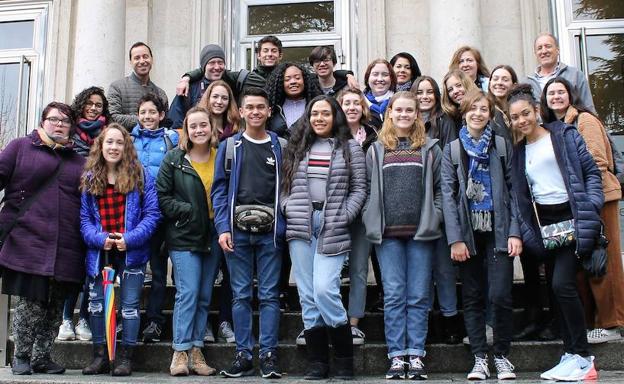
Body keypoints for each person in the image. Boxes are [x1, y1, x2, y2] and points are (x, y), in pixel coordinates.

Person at [507, 84, 601, 381]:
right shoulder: (519, 152)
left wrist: (592, 207)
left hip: (574, 217)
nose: (522, 120)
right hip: (546, 225)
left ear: (536, 111)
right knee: (556, 290)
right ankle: (571, 353)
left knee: (562, 284)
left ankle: (585, 359)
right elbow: (520, 197)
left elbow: (591, 174)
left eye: (526, 113)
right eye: (515, 117)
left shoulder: (563, 135)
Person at [281, 95, 366, 380]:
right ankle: (318, 363)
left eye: (325, 114)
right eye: (315, 113)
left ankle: (344, 359)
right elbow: (284, 186)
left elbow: (359, 189)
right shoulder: (297, 146)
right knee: (307, 294)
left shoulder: (350, 147)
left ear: (335, 117)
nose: (319, 118)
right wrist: (287, 207)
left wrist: (344, 215)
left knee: (324, 289)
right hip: (301, 225)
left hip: (333, 224)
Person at [0, 102, 86, 375]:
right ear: (42, 121)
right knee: (31, 301)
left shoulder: (79, 160)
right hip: (28, 240)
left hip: (67, 245)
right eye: (54, 119)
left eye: (65, 121)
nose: (60, 124)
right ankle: (21, 356)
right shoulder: (19, 147)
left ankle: (42, 356)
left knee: (55, 305)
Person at [441, 89, 521, 380]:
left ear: (490, 115)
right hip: (468, 233)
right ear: (464, 113)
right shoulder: (452, 149)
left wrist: (515, 232)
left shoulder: (500, 145)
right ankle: (479, 358)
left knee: (500, 295)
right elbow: (448, 197)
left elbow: (514, 191)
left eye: (483, 109)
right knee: (473, 296)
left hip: (499, 231)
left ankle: (501, 356)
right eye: (472, 109)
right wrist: (456, 238)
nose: (477, 113)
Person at [362, 91, 442, 380]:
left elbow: (441, 191)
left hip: (422, 233)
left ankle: (416, 354)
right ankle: (397, 356)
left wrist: (436, 214)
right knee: (395, 295)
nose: (405, 115)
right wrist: (369, 216)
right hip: (388, 235)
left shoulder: (430, 149)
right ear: (390, 113)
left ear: (417, 115)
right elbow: (368, 190)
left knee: (419, 295)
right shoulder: (376, 149)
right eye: (399, 110)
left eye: (410, 110)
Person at [541, 77, 624, 344]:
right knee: (586, 263)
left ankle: (613, 323)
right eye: (551, 93)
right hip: (577, 203)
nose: (556, 97)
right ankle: (594, 322)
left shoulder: (585, 120)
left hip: (598, 199)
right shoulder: (552, 126)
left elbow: (597, 163)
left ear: (570, 95)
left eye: (560, 92)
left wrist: (589, 202)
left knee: (605, 260)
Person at [211, 87, 286, 379]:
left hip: (270, 234)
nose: (255, 112)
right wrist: (223, 228)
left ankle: (268, 354)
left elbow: (289, 189)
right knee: (240, 296)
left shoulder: (280, 146)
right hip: (237, 233)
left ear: (269, 112)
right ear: (241, 112)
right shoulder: (230, 146)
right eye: (249, 107)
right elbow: (219, 191)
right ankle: (243, 354)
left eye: (261, 107)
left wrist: (283, 225)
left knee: (269, 296)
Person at [80, 124, 160, 376]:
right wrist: (99, 238)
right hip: (100, 252)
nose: (114, 147)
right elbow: (84, 220)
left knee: (129, 307)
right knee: (95, 305)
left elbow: (152, 214)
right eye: (109, 143)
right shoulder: (91, 177)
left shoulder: (141, 175)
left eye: (119, 143)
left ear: (126, 147)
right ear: (100, 147)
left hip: (131, 251)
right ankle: (100, 355)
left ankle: (125, 357)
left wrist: (130, 238)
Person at [157, 107, 220, 376]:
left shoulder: (222, 156)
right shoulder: (174, 159)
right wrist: (188, 211)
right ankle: (179, 352)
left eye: (203, 125)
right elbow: (163, 196)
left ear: (211, 127)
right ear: (186, 129)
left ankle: (196, 350)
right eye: (193, 126)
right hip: (184, 235)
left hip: (214, 235)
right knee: (188, 292)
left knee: (205, 295)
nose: (199, 130)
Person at [58, 87, 112, 343]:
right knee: (72, 269)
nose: (93, 108)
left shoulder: (107, 136)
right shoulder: (70, 136)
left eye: (99, 105)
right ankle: (66, 319)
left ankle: (85, 320)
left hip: (97, 210)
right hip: (71, 207)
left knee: (93, 269)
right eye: (89, 103)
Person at [411, 76, 461, 344]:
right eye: (420, 92)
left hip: (441, 199)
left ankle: (450, 319)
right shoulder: (405, 121)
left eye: (430, 92)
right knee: (422, 268)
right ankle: (427, 320)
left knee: (443, 267)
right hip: (413, 204)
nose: (425, 96)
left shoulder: (446, 122)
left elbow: (452, 159)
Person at [130, 93, 180, 344]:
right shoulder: (128, 141)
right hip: (134, 217)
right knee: (133, 271)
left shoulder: (171, 140)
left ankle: (154, 321)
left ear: (162, 115)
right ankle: (129, 320)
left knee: (159, 272)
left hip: (162, 215)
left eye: (152, 112)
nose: (147, 117)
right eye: (143, 112)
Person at [196, 79, 239, 343]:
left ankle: (224, 320)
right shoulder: (197, 127)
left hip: (227, 209)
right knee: (204, 275)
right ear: (207, 98)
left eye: (224, 97)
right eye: (215, 96)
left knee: (229, 273)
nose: (219, 101)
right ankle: (205, 324)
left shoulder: (236, 130)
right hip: (202, 211)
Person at [338, 87, 378, 345]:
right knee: (330, 271)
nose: (351, 107)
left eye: (356, 103)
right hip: (337, 213)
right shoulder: (331, 136)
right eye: (346, 103)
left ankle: (353, 322)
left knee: (359, 269)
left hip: (365, 214)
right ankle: (333, 319)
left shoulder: (375, 136)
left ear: (363, 107)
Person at [176, 35, 283, 97]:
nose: (269, 54)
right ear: (259, 55)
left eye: (274, 51)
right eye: (265, 51)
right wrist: (186, 78)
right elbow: (211, 70)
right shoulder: (246, 78)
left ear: (280, 55)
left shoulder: (287, 77)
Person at [526, 32, 595, 112]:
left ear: (558, 50)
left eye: (548, 46)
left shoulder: (575, 75)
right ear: (535, 53)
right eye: (539, 48)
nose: (544, 51)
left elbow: (589, 109)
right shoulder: (527, 82)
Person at [108, 42, 169, 130]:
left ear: (152, 59)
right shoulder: (117, 87)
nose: (142, 61)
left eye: (145, 56)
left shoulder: (160, 93)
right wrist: (144, 119)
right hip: (125, 141)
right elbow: (112, 117)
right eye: (137, 58)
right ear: (131, 62)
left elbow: (165, 122)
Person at [168, 44, 228, 129]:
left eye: (220, 63)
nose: (217, 67)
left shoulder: (230, 87)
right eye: (212, 63)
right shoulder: (188, 89)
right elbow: (175, 122)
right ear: (204, 66)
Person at [265, 62, 322, 138]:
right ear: (280, 83)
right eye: (287, 79)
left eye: (297, 78)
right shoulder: (273, 108)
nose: (293, 82)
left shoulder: (316, 105)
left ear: (304, 80)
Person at [488, 65, 518, 143]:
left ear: (514, 85)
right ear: (490, 83)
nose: (499, 83)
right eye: (495, 79)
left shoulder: (519, 109)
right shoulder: (485, 109)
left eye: (505, 80)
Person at [363, 58, 396, 129]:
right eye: (375, 74)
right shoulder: (360, 103)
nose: (380, 79)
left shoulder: (400, 101)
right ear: (367, 78)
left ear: (391, 78)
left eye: (385, 74)